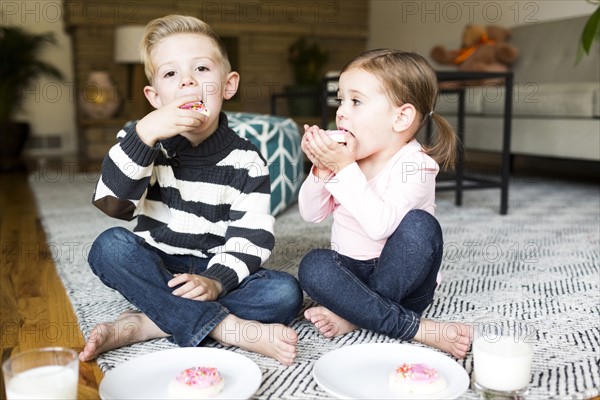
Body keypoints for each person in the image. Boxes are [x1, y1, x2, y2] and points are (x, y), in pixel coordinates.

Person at [79, 15, 303, 366]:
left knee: (284, 294)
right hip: (159, 264)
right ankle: (226, 327)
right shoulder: (141, 141)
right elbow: (113, 204)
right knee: (109, 247)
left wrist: (215, 282)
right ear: (155, 97)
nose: (187, 81)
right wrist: (144, 135)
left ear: (228, 86)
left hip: (215, 268)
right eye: (170, 74)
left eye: (201, 69)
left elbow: (252, 238)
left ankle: (147, 324)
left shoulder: (248, 160)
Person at [298, 49, 472, 359]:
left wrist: (344, 168)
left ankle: (358, 313)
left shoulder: (415, 165)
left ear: (401, 117)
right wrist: (322, 170)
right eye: (341, 101)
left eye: (356, 101)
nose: (341, 112)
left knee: (421, 224)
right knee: (314, 265)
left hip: (405, 282)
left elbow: (381, 226)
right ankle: (397, 322)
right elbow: (310, 214)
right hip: (351, 274)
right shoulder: (349, 159)